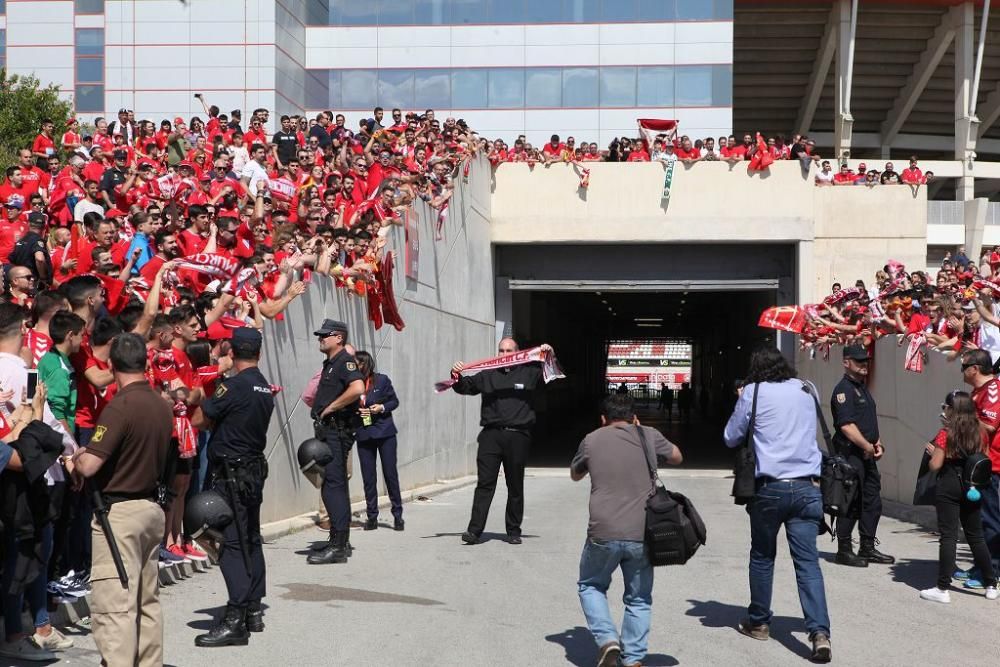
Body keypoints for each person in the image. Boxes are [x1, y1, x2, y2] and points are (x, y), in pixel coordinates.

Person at [68, 333, 174, 667]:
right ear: (145, 362)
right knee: (146, 602)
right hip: (151, 508)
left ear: (111, 365)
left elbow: (89, 465)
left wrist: (75, 459)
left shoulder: (120, 406)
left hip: (120, 514)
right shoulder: (161, 404)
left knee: (115, 604)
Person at [723, 346, 832, 663]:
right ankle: (819, 633)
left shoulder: (753, 392)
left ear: (756, 369)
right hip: (807, 487)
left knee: (762, 556)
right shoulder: (807, 388)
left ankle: (758, 622)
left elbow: (731, 437)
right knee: (808, 563)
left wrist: (743, 400)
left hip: (769, 488)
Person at [570, 394, 682, 667]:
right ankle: (632, 658)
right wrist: (644, 436)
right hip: (643, 531)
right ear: (634, 417)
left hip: (602, 531)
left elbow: (575, 473)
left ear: (603, 418)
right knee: (639, 598)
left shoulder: (592, 439)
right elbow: (677, 456)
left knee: (590, 585)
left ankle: (608, 639)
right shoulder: (648, 434)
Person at [190, 327, 275, 646]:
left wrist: (200, 392)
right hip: (252, 470)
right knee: (251, 537)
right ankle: (253, 607)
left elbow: (200, 419)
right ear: (259, 354)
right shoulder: (264, 387)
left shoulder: (233, 386)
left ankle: (236, 617)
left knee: (232, 542)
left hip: (231, 473)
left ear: (231, 353)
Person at [450, 338, 552, 545]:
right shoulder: (488, 373)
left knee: (515, 485)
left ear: (518, 353)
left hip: (518, 436)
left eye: (509, 350)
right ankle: (474, 531)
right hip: (491, 436)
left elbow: (551, 373)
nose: (504, 354)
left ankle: (513, 531)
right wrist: (456, 375)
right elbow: (465, 387)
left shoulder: (529, 372)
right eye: (501, 350)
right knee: (485, 484)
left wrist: (548, 354)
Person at [919, 391, 999, 603]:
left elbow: (935, 465)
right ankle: (991, 584)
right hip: (973, 486)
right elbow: (984, 455)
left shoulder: (946, 433)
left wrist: (933, 452)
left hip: (949, 485)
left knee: (948, 536)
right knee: (976, 536)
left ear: (953, 410)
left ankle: (943, 588)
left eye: (947, 407)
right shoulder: (980, 432)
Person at [830, 345, 894, 567]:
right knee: (849, 502)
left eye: (865, 361)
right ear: (846, 362)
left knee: (871, 501)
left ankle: (867, 547)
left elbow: (867, 422)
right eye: (858, 361)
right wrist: (866, 445)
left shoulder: (862, 387)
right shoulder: (843, 390)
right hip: (851, 456)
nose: (864, 364)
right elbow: (846, 426)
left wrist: (877, 443)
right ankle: (844, 549)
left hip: (866, 454)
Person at [307, 319, 364, 565]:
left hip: (336, 432)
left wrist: (330, 407)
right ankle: (336, 539)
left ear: (338, 338)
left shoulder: (344, 361)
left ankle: (339, 546)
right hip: (327, 432)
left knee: (334, 486)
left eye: (325, 335)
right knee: (330, 486)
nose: (321, 339)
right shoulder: (331, 362)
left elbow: (357, 387)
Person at [959, 348, 1000, 589]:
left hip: (990, 465)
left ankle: (992, 569)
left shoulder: (993, 390)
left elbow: (990, 426)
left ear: (975, 368)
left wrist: (961, 421)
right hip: (976, 463)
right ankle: (980, 565)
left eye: (964, 366)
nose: (962, 370)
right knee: (975, 520)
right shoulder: (978, 391)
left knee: (989, 519)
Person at [354, 350, 404, 531]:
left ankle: (398, 515)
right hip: (364, 433)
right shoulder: (352, 383)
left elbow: (394, 402)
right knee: (369, 477)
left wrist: (381, 407)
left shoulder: (381, 380)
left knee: (390, 474)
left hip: (385, 433)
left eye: (356, 363)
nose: (353, 366)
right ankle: (372, 517)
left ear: (365, 363)